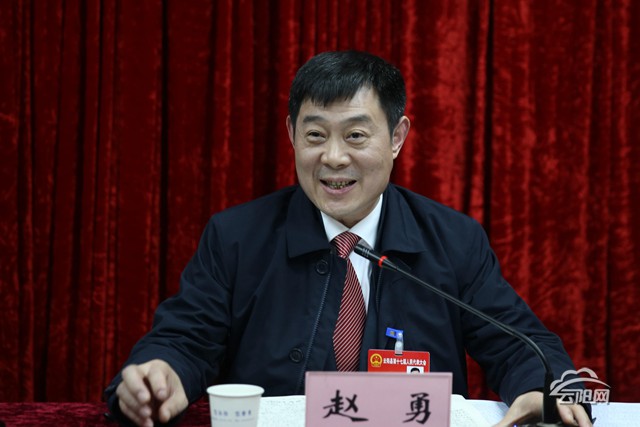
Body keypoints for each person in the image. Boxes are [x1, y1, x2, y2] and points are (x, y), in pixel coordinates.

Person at [104, 50, 592, 427]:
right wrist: (160, 372)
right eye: (316, 135)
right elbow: (185, 339)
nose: (334, 158)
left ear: (396, 137)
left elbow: (521, 345)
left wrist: (543, 387)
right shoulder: (237, 238)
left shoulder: (453, 240)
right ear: (292, 134)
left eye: (356, 136)